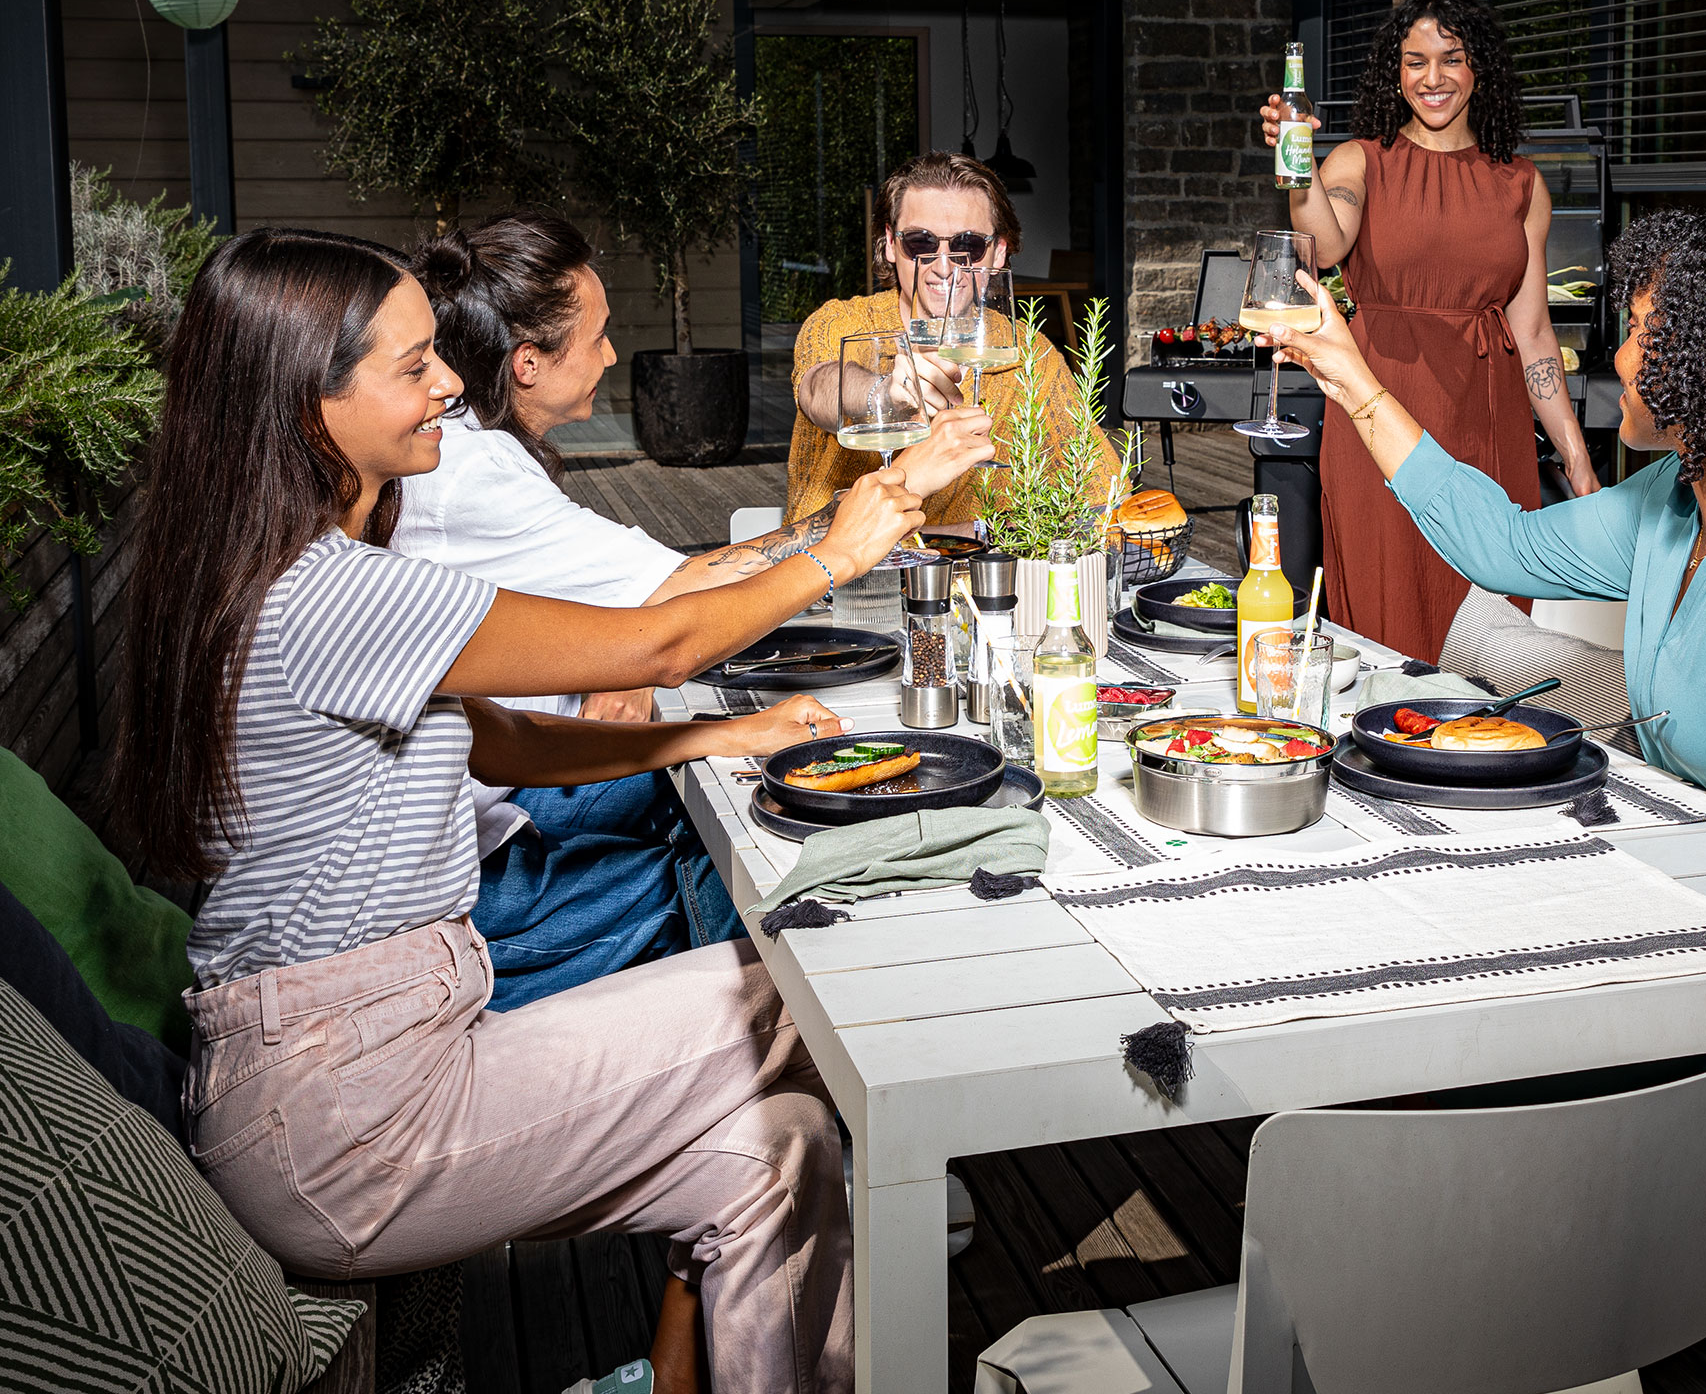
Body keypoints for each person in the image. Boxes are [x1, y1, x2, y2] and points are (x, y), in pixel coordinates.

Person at [111, 227, 922, 1394]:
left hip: (358, 1062)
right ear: (306, 404)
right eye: (412, 366)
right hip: (348, 1110)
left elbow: (503, 741)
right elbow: (657, 637)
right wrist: (837, 547)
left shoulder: (276, 568)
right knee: (819, 981)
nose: (453, 381)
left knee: (776, 1152)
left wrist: (709, 735)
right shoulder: (331, 594)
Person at [1269, 203, 1706, 1218]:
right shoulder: (1673, 505)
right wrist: (1353, 377)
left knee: (1448, 1062)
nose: (1620, 358)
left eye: (1645, 332)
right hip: (1678, 940)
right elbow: (1503, 544)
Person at [396, 212, 992, 1010]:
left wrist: (627, 664)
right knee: (752, 818)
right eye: (599, 337)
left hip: (501, 781)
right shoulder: (470, 471)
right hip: (484, 868)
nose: (614, 355)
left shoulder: (476, 448)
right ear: (528, 363)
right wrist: (872, 510)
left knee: (738, 774)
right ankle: (788, 1012)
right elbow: (678, 597)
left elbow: (633, 608)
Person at [1260, 0, 1598, 662]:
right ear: (1397, 73)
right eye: (1415, 62)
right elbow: (1324, 245)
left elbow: (1533, 333)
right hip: (1379, 413)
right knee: (1386, 612)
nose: (1432, 78)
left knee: (1493, 625)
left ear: (1480, 70)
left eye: (1451, 59)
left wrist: (1578, 461)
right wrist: (1297, 171)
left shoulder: (1523, 185)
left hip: (1487, 424)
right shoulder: (1361, 161)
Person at [786, 151, 1120, 526]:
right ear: (891, 244)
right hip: (829, 561)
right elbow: (818, 388)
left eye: (969, 245)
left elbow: (1104, 496)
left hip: (977, 565)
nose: (944, 267)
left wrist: (975, 536)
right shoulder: (841, 322)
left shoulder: (1030, 355)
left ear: (998, 251)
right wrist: (884, 394)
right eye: (920, 242)